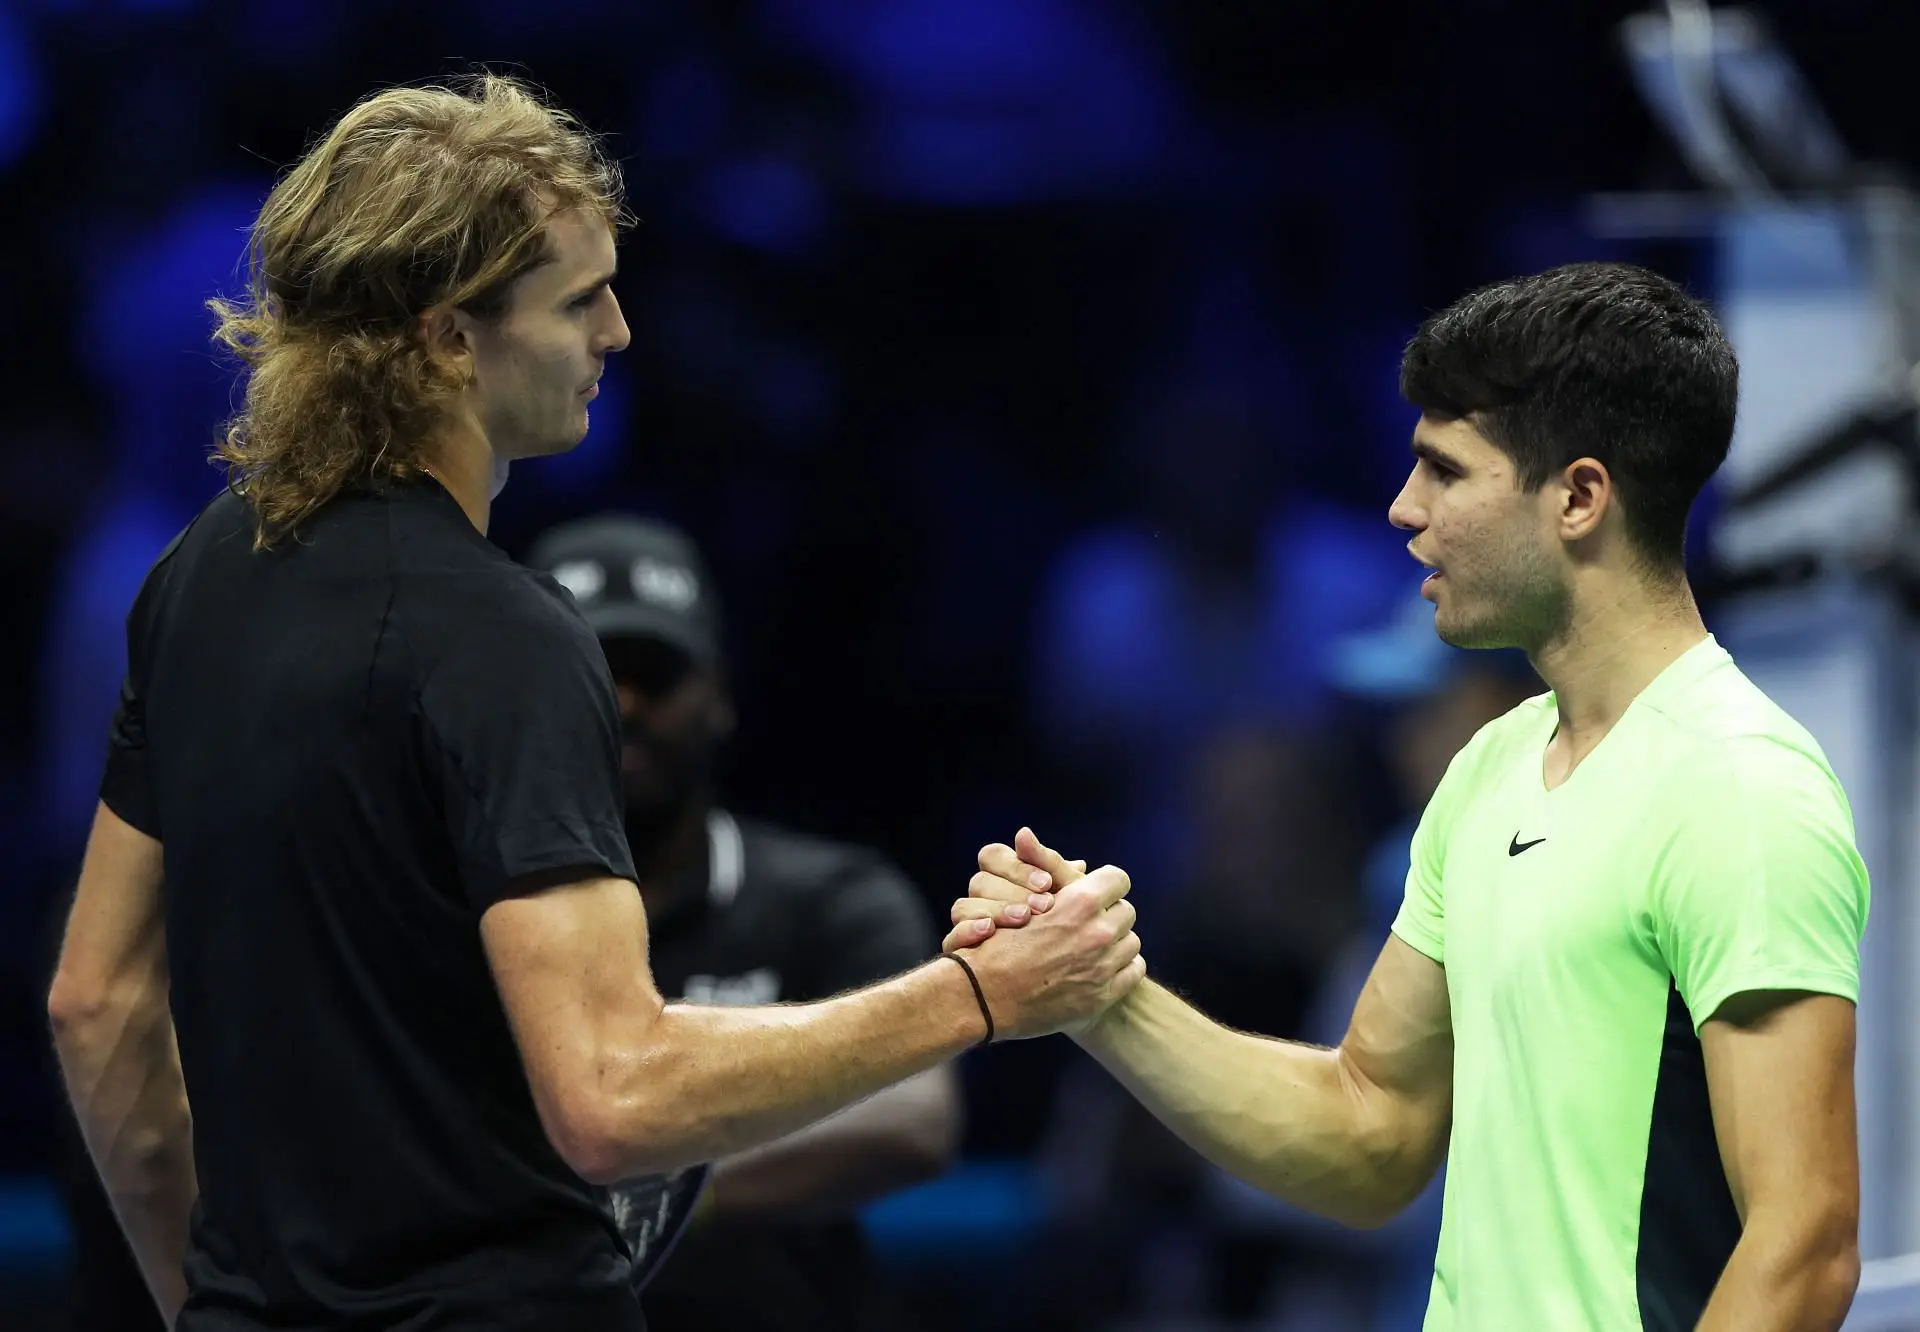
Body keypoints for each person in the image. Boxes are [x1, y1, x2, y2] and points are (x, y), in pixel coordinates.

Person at [43, 74, 1142, 1332]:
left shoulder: (199, 575)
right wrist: (983, 996)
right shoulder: (502, 635)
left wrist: (208, 1308)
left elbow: (99, 1005)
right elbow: (613, 1096)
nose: (618, 331)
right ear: (451, 338)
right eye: (579, 300)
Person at [951, 262, 1869, 1331]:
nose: (1403, 508)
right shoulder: (1488, 772)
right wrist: (1099, 995)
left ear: (1577, 497)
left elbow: (1803, 1245)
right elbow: (1370, 1131)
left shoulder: (1740, 785)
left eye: (1444, 471)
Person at [526, 513, 959, 1330]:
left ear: (719, 694)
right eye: (590, 669)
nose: (625, 702)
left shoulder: (829, 901)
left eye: (656, 672)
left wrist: (657, 1193)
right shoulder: (448, 918)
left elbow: (913, 1116)